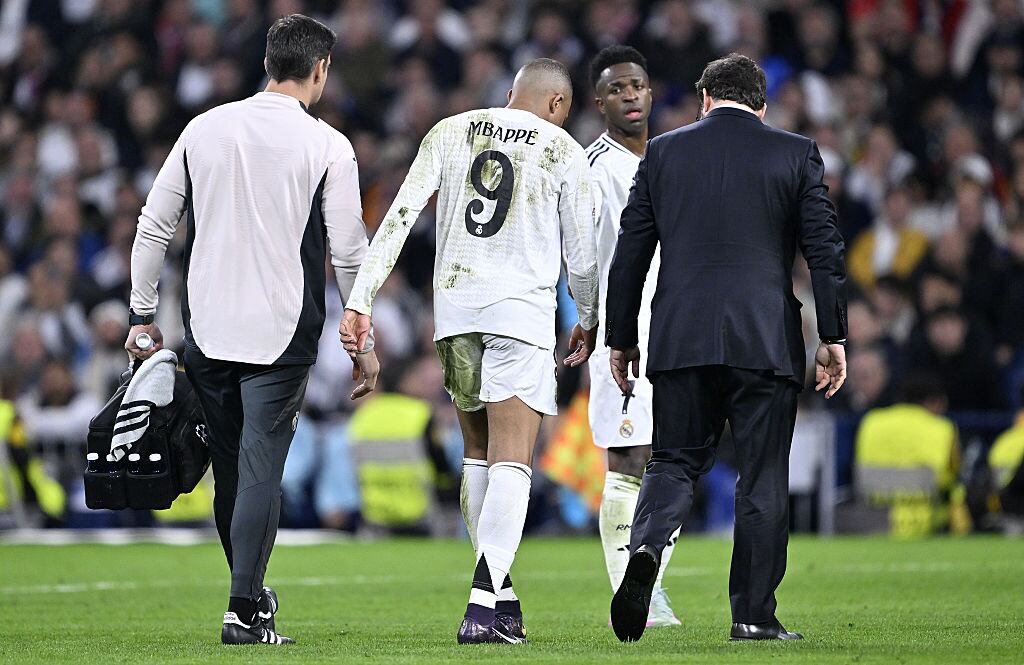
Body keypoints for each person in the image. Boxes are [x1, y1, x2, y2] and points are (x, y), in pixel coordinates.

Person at [124, 14, 379, 645]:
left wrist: (140, 314)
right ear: (319, 71)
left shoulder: (204, 127)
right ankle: (243, 608)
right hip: (281, 325)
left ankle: (250, 599)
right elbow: (349, 252)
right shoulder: (327, 145)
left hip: (206, 327)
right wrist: (363, 340)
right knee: (261, 467)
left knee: (232, 470)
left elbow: (153, 226)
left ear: (269, 62)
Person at [341, 58, 599, 645]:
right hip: (519, 316)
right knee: (513, 455)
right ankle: (484, 602)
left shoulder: (452, 129)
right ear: (558, 105)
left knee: (478, 451)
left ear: (511, 94)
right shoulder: (562, 150)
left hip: (454, 314)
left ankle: (500, 597)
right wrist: (586, 317)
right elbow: (582, 258)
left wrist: (360, 299)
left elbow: (398, 217)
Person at [605, 53, 848, 643]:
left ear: (705, 99)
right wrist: (833, 335)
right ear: (761, 107)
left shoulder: (663, 152)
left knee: (673, 460)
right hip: (764, 338)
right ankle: (753, 616)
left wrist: (620, 338)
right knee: (762, 476)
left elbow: (630, 251)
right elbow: (825, 253)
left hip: (681, 335)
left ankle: (645, 549)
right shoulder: (794, 153)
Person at [585, 45, 680, 629]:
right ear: (600, 103)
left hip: (675, 321)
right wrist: (589, 318)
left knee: (672, 458)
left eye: (638, 85)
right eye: (618, 88)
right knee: (630, 456)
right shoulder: (594, 166)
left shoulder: (667, 158)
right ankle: (633, 588)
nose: (630, 95)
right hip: (625, 327)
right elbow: (584, 253)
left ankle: (650, 585)